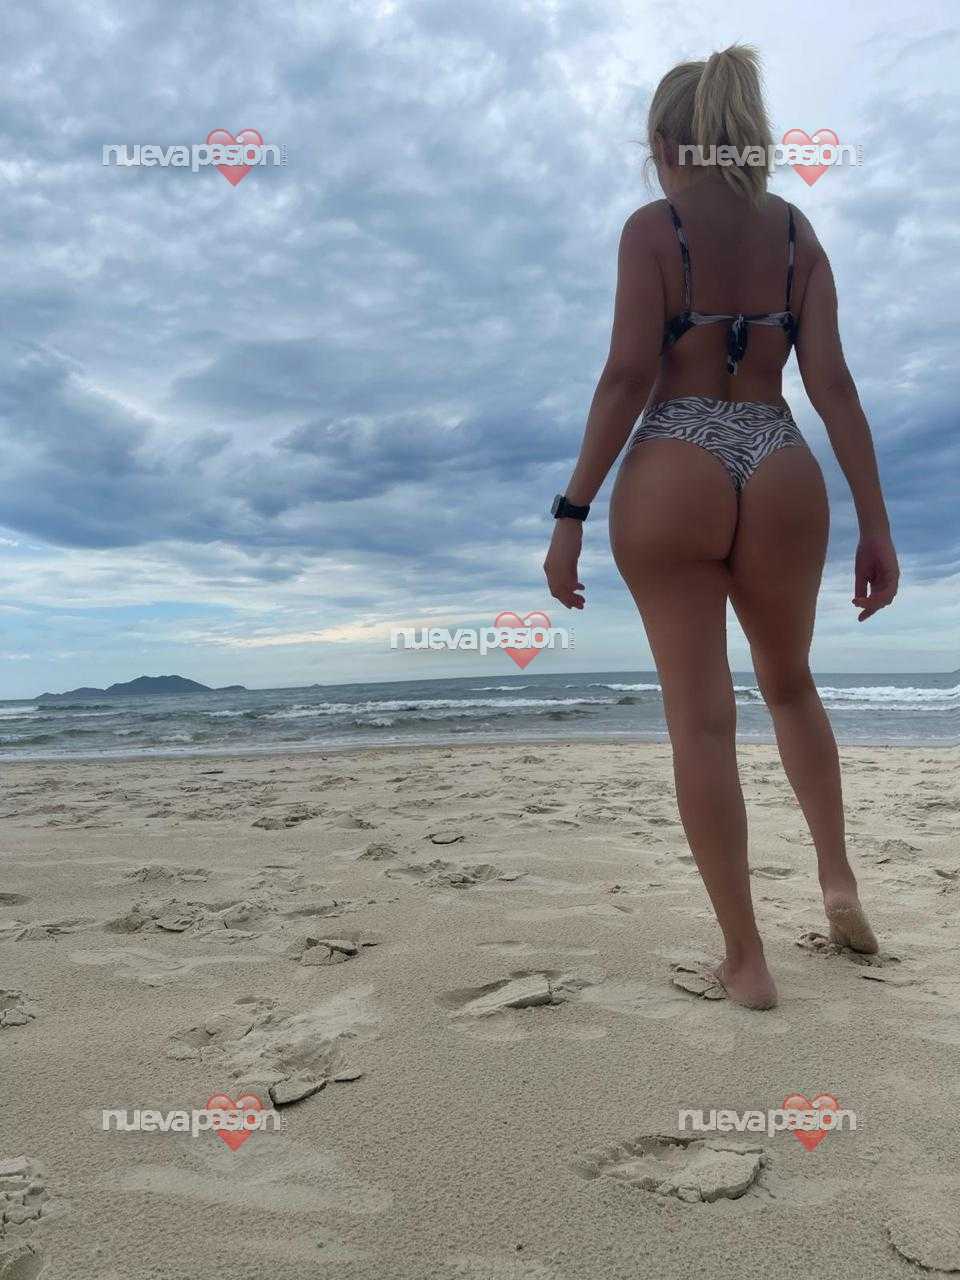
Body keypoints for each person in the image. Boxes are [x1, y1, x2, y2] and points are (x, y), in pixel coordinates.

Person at [543, 44, 899, 1010]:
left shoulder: (653, 231)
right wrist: (876, 525)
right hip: (779, 457)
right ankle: (837, 878)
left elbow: (627, 375)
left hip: (675, 458)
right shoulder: (796, 234)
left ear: (667, 144)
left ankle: (746, 960)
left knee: (700, 720)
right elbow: (834, 386)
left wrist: (571, 512)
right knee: (791, 687)